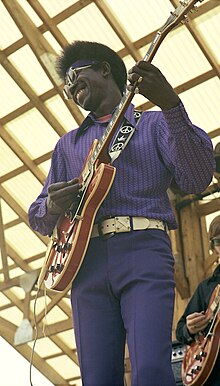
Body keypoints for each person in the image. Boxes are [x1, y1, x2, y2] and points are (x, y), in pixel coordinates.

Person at [28, 41, 215, 386]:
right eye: (66, 87)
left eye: (74, 75)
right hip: (86, 264)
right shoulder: (66, 145)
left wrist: (172, 105)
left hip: (144, 248)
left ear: (104, 68)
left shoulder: (155, 124)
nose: (70, 89)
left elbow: (197, 177)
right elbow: (38, 216)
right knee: (96, 379)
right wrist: (52, 205)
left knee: (150, 371)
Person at [176, 215, 220, 386]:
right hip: (212, 375)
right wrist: (189, 327)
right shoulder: (206, 288)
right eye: (218, 241)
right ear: (213, 248)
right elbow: (180, 330)